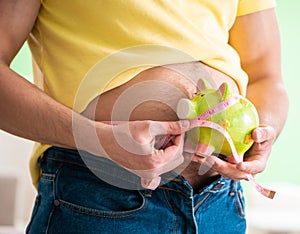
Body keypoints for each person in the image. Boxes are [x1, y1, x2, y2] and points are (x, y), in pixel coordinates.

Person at [0, 0, 288, 233]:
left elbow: (266, 76)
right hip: (100, 194)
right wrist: (99, 139)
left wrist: (262, 134)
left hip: (218, 200)